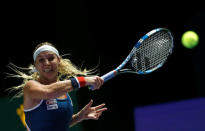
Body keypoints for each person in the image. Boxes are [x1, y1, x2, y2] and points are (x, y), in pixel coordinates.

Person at [7, 42, 107, 131]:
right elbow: (48, 92)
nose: (47, 64)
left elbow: (57, 125)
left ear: (59, 60)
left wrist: (78, 117)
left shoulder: (63, 91)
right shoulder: (30, 87)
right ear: (36, 65)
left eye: (51, 58)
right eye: (41, 60)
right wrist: (84, 80)